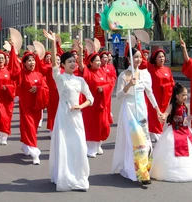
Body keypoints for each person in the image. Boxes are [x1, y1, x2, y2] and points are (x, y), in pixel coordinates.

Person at [44, 30, 94, 192]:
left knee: (79, 146)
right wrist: (53, 42)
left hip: (76, 117)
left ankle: (79, 176)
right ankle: (63, 176)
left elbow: (90, 98)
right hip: (63, 117)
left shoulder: (80, 80)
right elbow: (53, 63)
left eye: (74, 61)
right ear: (63, 65)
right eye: (69, 61)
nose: (73, 63)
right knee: (64, 146)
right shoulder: (60, 78)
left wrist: (81, 106)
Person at [111, 47, 162, 185]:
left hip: (141, 109)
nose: (138, 59)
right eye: (135, 57)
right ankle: (135, 171)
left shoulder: (145, 74)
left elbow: (150, 93)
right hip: (129, 111)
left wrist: (157, 110)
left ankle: (145, 169)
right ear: (128, 59)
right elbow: (119, 96)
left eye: (140, 57)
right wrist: (128, 85)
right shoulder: (123, 75)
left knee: (145, 140)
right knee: (134, 141)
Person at [150, 83, 192, 182]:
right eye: (183, 94)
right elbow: (166, 114)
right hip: (174, 131)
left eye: (186, 94)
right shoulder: (172, 106)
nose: (185, 97)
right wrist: (163, 116)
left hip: (185, 131)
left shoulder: (184, 106)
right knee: (172, 151)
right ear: (176, 96)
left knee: (190, 150)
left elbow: (187, 118)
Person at [8, 39, 49, 165]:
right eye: (29, 61)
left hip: (37, 107)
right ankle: (35, 153)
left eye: (33, 60)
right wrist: (13, 49)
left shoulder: (39, 75)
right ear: (24, 63)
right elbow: (13, 66)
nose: (31, 62)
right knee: (30, 129)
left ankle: (26, 145)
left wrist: (38, 88)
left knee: (32, 129)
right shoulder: (21, 75)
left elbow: (46, 89)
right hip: (26, 107)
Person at [78, 47, 114, 158]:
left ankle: (98, 144)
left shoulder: (103, 71)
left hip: (103, 104)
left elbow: (110, 84)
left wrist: (103, 88)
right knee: (92, 126)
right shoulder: (88, 73)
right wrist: (80, 52)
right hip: (91, 106)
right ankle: (90, 148)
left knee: (104, 126)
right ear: (91, 62)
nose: (99, 62)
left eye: (99, 60)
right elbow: (81, 65)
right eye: (96, 61)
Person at [140, 49, 174, 142]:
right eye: (159, 57)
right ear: (155, 59)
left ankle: (154, 134)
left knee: (163, 116)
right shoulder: (151, 68)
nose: (162, 58)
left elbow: (172, 83)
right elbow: (143, 62)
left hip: (166, 97)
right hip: (155, 98)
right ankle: (155, 134)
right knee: (155, 116)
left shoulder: (167, 69)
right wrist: (139, 45)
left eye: (163, 56)